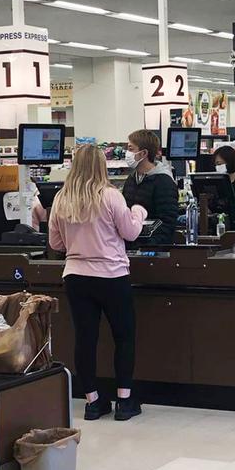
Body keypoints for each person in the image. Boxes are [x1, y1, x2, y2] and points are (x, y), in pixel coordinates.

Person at [48, 145, 147, 421]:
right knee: (123, 337)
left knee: (85, 339)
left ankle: (92, 401)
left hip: (77, 277)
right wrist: (138, 212)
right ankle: (124, 402)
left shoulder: (61, 198)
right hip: (112, 276)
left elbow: (55, 243)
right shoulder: (111, 196)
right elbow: (130, 232)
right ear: (101, 166)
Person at [121, 129, 179, 244]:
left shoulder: (164, 181)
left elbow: (168, 222)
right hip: (130, 247)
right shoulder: (131, 179)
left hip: (152, 251)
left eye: (131, 149)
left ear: (144, 153)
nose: (127, 153)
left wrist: (149, 245)